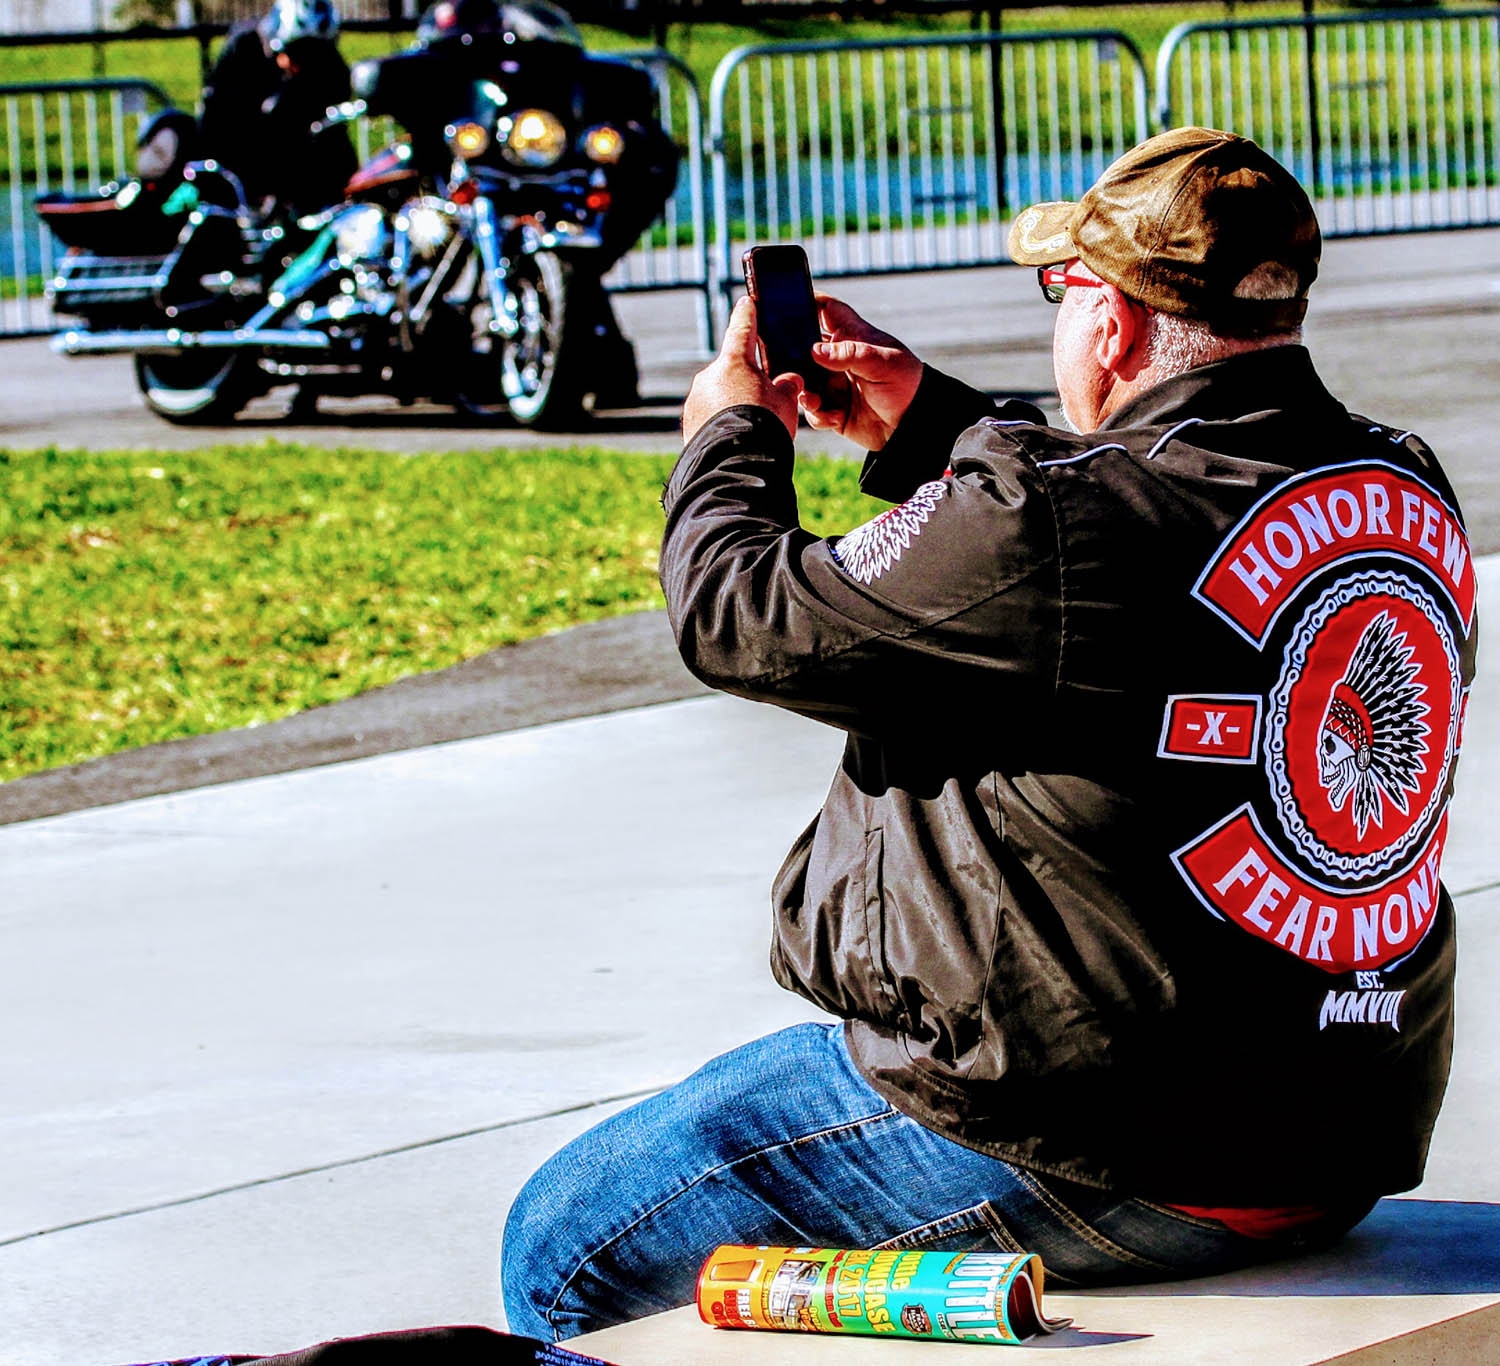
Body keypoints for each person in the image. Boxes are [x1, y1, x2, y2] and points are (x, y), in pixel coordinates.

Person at [500, 127, 1478, 1340]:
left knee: (560, 1246)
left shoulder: (1051, 521)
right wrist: (932, 427)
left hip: (1092, 1143)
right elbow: (1145, 544)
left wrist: (726, 432)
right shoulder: (1402, 483)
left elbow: (737, 615)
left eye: (1058, 290)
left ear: (1108, 319)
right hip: (1333, 1136)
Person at [198, 0, 356, 219]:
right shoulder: (243, 52)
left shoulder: (330, 67)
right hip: (249, 156)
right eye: (299, 53)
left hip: (308, 159)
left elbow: (339, 112)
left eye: (317, 54)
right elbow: (216, 125)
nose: (304, 64)